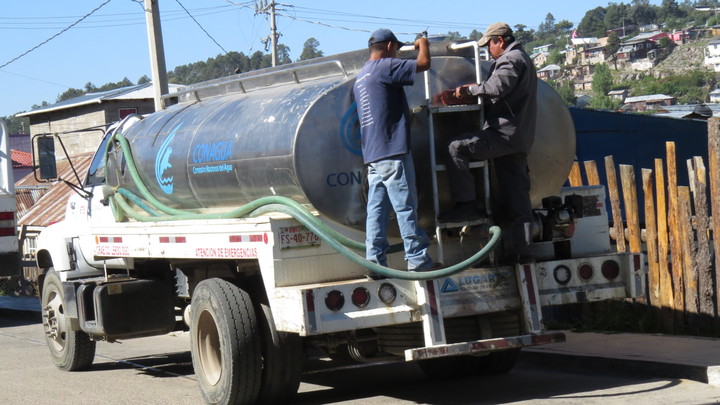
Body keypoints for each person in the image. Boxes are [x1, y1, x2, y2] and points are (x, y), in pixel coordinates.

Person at [441, 22, 537, 263]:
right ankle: (523, 254)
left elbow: (497, 87)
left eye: (489, 46)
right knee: (519, 202)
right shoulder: (524, 58)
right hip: (518, 138)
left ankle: (466, 204)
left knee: (456, 147)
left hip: (503, 135)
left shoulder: (511, 59)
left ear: (500, 41)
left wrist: (467, 92)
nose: (488, 51)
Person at [352, 28, 433, 271]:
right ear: (388, 47)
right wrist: (423, 43)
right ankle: (417, 260)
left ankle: (375, 262)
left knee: (376, 210)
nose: (397, 53)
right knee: (405, 206)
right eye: (396, 49)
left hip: (373, 153)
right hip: (392, 149)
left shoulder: (361, 76)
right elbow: (424, 63)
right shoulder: (385, 67)